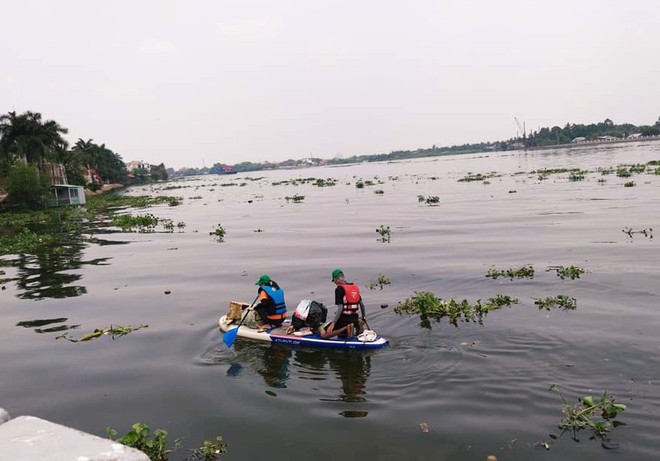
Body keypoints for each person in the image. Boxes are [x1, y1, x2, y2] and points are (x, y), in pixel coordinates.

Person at [320, 269, 365, 339]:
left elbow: (340, 308)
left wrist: (333, 323)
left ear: (336, 279)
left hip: (344, 319)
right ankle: (358, 322)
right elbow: (362, 305)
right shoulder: (354, 287)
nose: (335, 283)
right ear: (343, 277)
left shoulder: (339, 289)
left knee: (323, 334)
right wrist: (363, 317)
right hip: (355, 317)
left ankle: (346, 328)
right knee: (352, 321)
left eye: (334, 281)